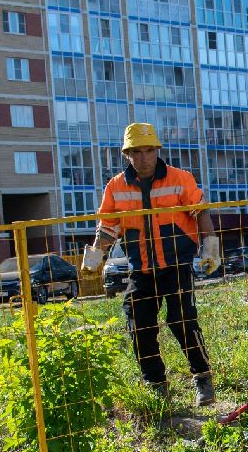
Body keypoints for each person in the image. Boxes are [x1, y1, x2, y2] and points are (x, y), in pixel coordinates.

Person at [81, 123, 223, 404]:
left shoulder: (180, 179)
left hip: (176, 265)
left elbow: (200, 211)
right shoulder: (116, 187)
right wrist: (95, 257)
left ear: (158, 150)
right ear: (127, 155)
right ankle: (156, 385)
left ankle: (202, 378)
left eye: (149, 151)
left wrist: (210, 248)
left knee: (181, 318)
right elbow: (108, 227)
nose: (144, 158)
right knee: (139, 324)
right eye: (136, 152)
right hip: (141, 269)